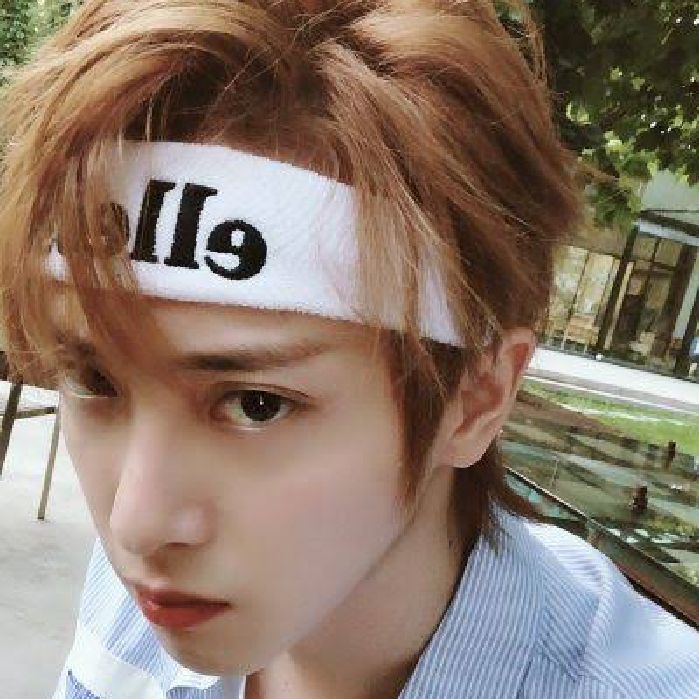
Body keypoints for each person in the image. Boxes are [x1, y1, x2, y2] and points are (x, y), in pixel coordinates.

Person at [1, 2, 697, 698]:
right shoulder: (143, 600)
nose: (135, 523)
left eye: (256, 404)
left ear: (476, 398)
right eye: (94, 379)